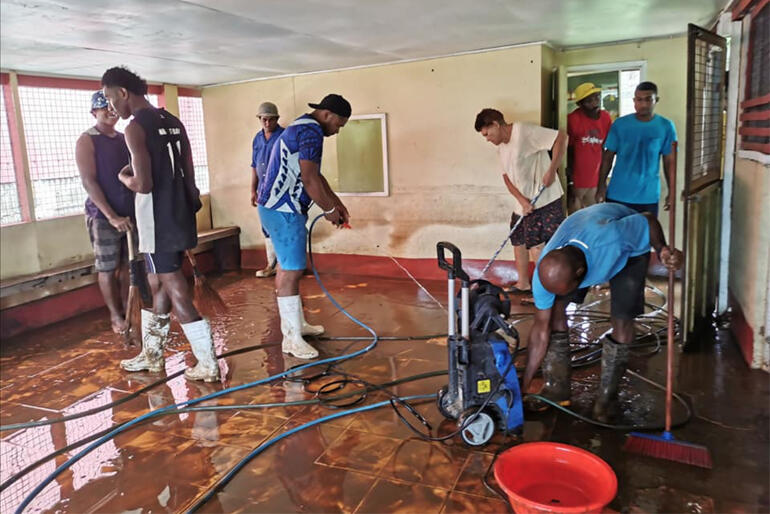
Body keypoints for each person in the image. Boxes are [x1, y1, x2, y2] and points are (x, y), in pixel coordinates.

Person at [101, 66, 219, 382]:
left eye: (111, 99)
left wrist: (123, 177)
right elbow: (189, 172)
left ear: (123, 93)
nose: (112, 107)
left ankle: (207, 362)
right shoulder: (172, 120)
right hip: (180, 212)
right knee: (158, 283)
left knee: (173, 284)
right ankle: (152, 355)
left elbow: (144, 184)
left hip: (156, 219)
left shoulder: (135, 128)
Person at [522, 203, 683, 421]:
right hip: (584, 235)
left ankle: (607, 399)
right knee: (555, 311)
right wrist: (525, 385)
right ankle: (557, 389)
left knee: (622, 321)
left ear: (580, 275)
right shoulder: (546, 271)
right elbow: (541, 329)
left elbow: (647, 220)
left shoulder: (613, 239)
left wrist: (662, 248)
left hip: (629, 254)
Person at [257, 94, 351, 359]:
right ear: (327, 115)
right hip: (283, 210)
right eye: (338, 124)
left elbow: (315, 175)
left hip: (276, 208)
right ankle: (291, 339)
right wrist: (330, 211)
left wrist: (336, 203)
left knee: (289, 270)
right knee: (291, 272)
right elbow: (309, 179)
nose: (337, 131)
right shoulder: (311, 133)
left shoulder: (301, 126)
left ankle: (297, 325)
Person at [475, 108, 567, 294]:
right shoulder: (501, 148)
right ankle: (523, 283)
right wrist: (522, 201)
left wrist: (552, 169)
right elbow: (507, 178)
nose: (487, 139)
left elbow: (561, 138)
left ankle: (545, 292)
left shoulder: (523, 132)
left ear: (495, 124)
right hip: (523, 203)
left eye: (487, 133)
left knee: (537, 245)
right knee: (518, 241)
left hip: (544, 200)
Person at [76, 91, 136, 335]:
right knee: (107, 267)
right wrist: (111, 216)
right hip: (103, 216)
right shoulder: (87, 140)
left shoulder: (124, 138)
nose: (111, 113)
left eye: (112, 108)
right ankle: (115, 315)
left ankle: (130, 308)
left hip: (128, 213)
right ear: (94, 113)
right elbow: (89, 181)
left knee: (128, 264)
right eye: (104, 110)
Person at [596, 82, 677, 216]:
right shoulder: (620, 125)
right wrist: (601, 186)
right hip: (618, 193)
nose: (643, 104)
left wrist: (672, 191)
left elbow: (669, 162)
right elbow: (607, 157)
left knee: (645, 234)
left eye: (648, 99)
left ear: (656, 100)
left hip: (648, 196)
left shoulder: (665, 126)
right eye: (639, 100)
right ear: (634, 101)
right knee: (618, 235)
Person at [250, 101, 285, 278]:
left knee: (282, 225)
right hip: (263, 191)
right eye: (264, 119)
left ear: (277, 119)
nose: (267, 123)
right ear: (260, 119)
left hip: (280, 191)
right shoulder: (257, 139)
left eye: (271, 119)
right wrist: (252, 190)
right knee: (267, 227)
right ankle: (270, 264)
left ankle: (284, 265)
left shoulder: (284, 136)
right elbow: (254, 166)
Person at [566, 83, 612, 213]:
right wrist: (570, 181)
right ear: (580, 104)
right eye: (589, 101)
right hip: (577, 180)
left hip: (597, 179)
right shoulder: (572, 119)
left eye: (597, 97)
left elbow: (606, 149)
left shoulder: (605, 118)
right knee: (576, 219)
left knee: (595, 217)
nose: (595, 103)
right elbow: (568, 151)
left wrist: (602, 183)